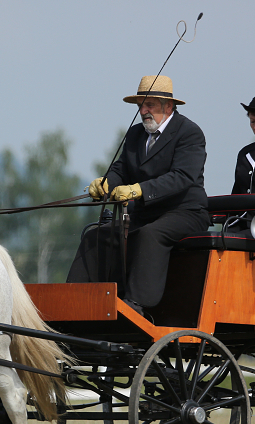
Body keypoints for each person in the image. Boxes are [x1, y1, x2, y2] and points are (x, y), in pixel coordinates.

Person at [66, 75, 209, 316]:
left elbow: (183, 176)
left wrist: (139, 190)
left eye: (149, 105)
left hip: (185, 213)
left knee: (149, 235)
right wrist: (105, 184)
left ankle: (135, 306)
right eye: (141, 105)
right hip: (144, 213)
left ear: (169, 106)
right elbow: (121, 169)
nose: (143, 111)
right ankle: (73, 301)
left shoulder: (190, 133)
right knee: (95, 237)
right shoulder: (135, 134)